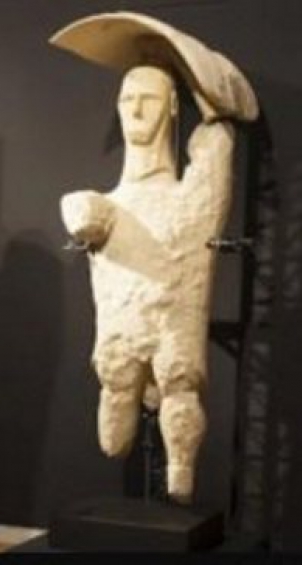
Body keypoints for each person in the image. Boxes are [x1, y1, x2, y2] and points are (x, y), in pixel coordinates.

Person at [61, 65, 235, 503]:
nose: (136, 110)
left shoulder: (191, 197)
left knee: (178, 382)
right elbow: (84, 214)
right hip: (119, 340)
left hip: (174, 335)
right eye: (127, 100)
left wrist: (214, 122)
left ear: (172, 106)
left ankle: (179, 469)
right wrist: (82, 214)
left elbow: (214, 159)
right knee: (114, 423)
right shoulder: (102, 207)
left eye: (149, 99)